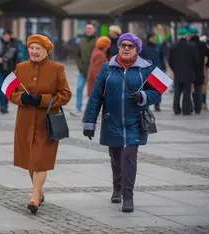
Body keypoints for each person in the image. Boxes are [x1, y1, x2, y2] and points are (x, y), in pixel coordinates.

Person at [83, 32, 161, 213]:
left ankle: (128, 196)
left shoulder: (146, 68)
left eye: (130, 46)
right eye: (123, 45)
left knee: (129, 158)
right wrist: (90, 123)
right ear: (118, 47)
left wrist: (143, 95)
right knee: (116, 158)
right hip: (112, 120)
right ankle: (117, 187)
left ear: (137, 50)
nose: (126, 49)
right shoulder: (107, 68)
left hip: (135, 122)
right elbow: (96, 97)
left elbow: (157, 92)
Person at [10, 34, 71, 214]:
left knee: (40, 161)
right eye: (32, 48)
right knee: (31, 162)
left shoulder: (57, 69)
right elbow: (11, 92)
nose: (34, 52)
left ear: (46, 52)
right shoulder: (20, 68)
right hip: (25, 122)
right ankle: (40, 192)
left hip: (47, 123)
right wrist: (22, 97)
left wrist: (42, 100)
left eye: (38, 49)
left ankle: (34, 199)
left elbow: (65, 95)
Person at [169, 28, 199, 115]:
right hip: (188, 73)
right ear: (187, 36)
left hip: (178, 73)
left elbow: (170, 61)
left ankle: (176, 109)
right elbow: (196, 60)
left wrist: (174, 69)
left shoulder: (173, 46)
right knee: (187, 92)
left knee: (177, 92)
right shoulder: (192, 46)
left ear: (179, 36)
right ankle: (186, 110)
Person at [0, 29, 20, 114]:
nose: (6, 37)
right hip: (0, 69)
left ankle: (5, 105)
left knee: (8, 89)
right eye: (4, 35)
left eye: (7, 35)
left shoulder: (14, 45)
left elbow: (18, 57)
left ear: (10, 36)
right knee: (1, 88)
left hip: (11, 70)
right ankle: (2, 106)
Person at [70, 22, 97, 117]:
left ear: (94, 30)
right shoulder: (81, 41)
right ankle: (78, 108)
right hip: (83, 70)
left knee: (94, 91)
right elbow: (77, 55)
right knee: (79, 88)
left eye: (90, 28)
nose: (88, 30)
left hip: (93, 72)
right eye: (87, 28)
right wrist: (79, 65)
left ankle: (93, 109)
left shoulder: (97, 41)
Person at [189, 27, 209, 114]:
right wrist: (208, 65)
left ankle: (193, 105)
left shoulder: (188, 44)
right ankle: (198, 108)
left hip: (190, 71)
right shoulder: (203, 45)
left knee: (192, 89)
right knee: (199, 89)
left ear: (190, 35)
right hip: (200, 71)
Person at [141, 33, 166, 111]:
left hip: (157, 69)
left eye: (154, 38)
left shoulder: (158, 46)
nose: (154, 39)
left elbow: (162, 57)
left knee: (158, 88)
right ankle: (147, 104)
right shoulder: (143, 47)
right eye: (152, 38)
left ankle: (157, 104)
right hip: (146, 70)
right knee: (146, 89)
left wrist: (163, 67)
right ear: (148, 38)